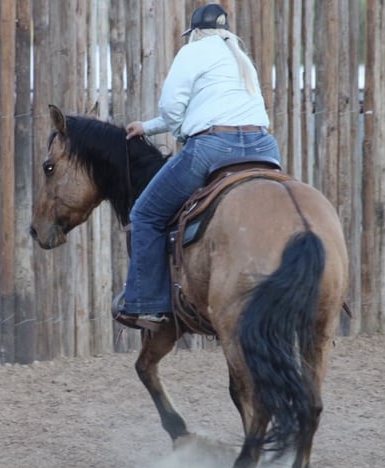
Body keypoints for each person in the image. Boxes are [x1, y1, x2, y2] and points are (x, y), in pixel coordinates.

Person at [115, 3, 281, 330]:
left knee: (144, 215)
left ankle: (148, 303)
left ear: (195, 33)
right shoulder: (240, 58)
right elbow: (206, 108)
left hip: (213, 148)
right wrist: (147, 127)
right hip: (263, 147)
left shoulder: (193, 52)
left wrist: (175, 131)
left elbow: (173, 106)